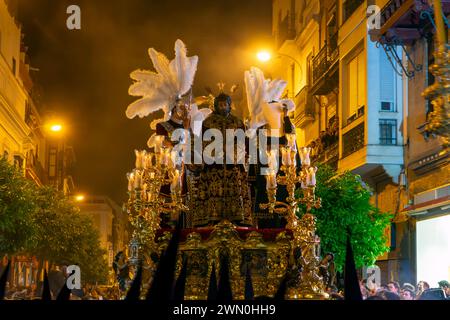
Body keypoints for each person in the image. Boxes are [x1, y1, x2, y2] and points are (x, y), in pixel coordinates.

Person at [189, 93, 253, 226]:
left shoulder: (237, 122)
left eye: (225, 104)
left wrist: (233, 153)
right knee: (213, 190)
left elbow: (242, 142)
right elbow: (203, 141)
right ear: (216, 106)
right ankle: (212, 219)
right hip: (214, 166)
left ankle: (236, 219)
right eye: (220, 105)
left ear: (229, 106)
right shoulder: (208, 122)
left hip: (232, 164)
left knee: (235, 190)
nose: (223, 107)